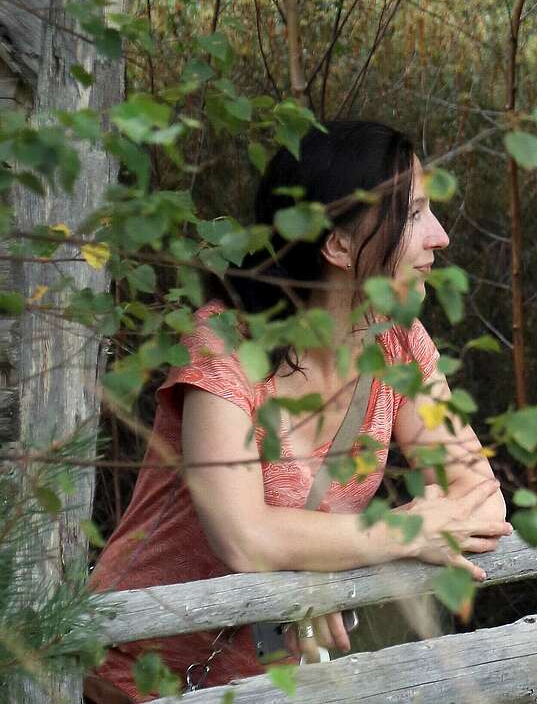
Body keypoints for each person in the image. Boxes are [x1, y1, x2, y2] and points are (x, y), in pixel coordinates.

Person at [86, 121, 511, 701]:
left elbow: (480, 496)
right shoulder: (228, 344)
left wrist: (331, 572)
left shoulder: (398, 342)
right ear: (337, 245)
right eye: (411, 215)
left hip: (269, 686)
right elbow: (245, 536)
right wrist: (404, 529)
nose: (439, 236)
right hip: (140, 677)